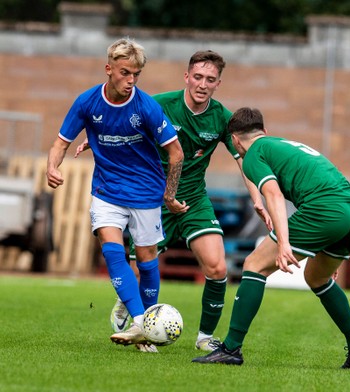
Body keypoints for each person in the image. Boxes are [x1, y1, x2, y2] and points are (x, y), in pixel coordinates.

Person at [78, 50, 271, 352]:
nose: (202, 84)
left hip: (193, 200)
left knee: (218, 267)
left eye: (210, 79)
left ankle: (205, 338)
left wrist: (258, 199)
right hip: (154, 198)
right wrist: (95, 138)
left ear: (218, 83)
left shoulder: (221, 117)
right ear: (186, 76)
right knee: (141, 269)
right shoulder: (160, 104)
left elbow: (244, 162)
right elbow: (122, 123)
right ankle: (135, 318)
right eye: (197, 77)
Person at [192, 107, 350, 369]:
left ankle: (231, 348)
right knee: (317, 277)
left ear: (234, 140)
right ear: (264, 131)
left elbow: (274, 195)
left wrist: (284, 244)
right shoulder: (281, 143)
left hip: (326, 209)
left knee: (254, 264)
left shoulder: (254, 154)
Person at [46, 37, 186, 353]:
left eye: (136, 74)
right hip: (107, 191)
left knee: (147, 262)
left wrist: (169, 195)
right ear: (109, 69)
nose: (131, 80)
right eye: (125, 73)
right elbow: (60, 143)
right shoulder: (87, 102)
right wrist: (52, 167)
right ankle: (140, 322)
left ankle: (144, 327)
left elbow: (176, 153)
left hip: (146, 193)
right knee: (112, 253)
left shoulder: (147, 106)